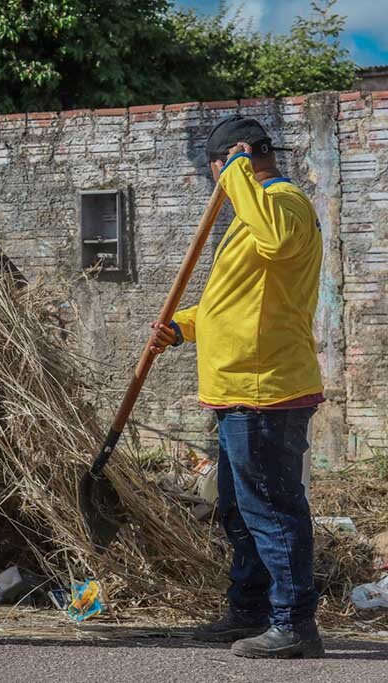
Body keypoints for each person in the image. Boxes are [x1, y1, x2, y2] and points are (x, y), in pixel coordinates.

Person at [149, 115, 325, 659]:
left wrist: (240, 170)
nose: (218, 187)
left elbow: (274, 245)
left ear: (239, 160)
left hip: (265, 389)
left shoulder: (285, 205)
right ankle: (248, 610)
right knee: (239, 508)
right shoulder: (253, 213)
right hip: (235, 391)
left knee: (272, 509)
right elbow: (233, 301)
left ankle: (294, 622)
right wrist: (183, 325)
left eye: (217, 173)